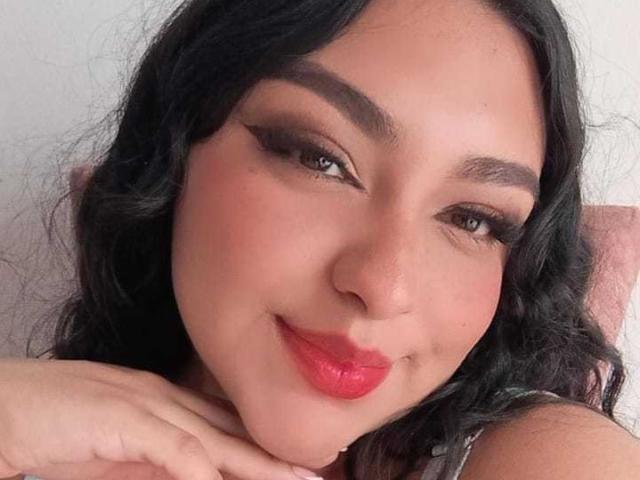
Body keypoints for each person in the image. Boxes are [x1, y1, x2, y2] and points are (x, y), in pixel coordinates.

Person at [1, 0, 639, 479]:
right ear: (176, 147)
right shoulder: (35, 429)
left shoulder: (549, 458)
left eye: (472, 219)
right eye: (320, 159)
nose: (383, 287)